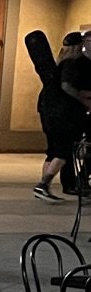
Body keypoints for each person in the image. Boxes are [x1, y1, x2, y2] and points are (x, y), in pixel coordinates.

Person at [31, 30, 90, 203]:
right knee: (62, 152)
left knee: (52, 152)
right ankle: (43, 185)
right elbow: (66, 86)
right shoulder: (71, 64)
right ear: (78, 47)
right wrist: (82, 98)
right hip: (63, 116)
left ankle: (44, 188)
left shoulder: (59, 64)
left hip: (49, 114)